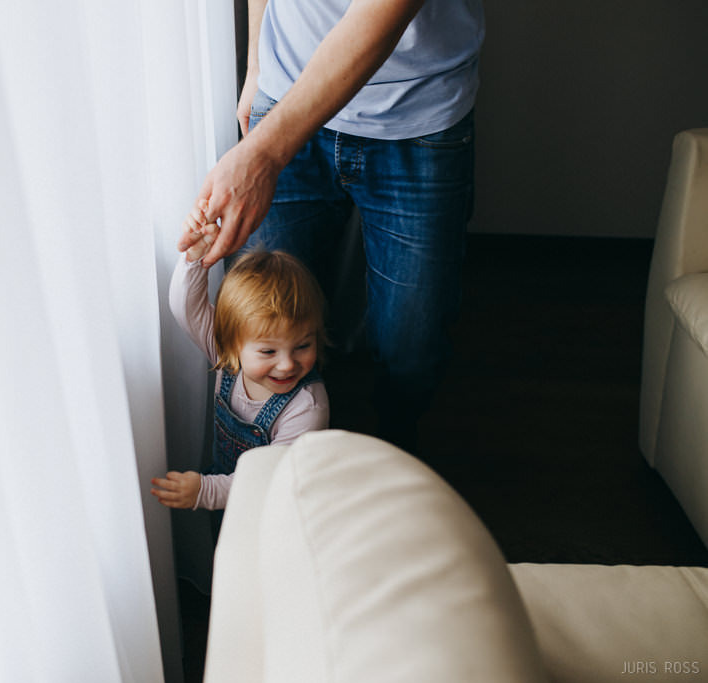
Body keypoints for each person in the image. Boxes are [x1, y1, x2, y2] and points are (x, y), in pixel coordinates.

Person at [178, 0, 484, 451]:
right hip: (283, 95)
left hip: (419, 117)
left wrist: (263, 152)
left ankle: (391, 453)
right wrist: (257, 68)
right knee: (262, 320)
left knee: (411, 349)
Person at [151, 211, 329, 513]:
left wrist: (205, 491)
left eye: (302, 345)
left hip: (276, 506)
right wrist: (196, 258)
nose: (287, 364)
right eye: (268, 352)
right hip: (227, 494)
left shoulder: (307, 407)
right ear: (233, 344)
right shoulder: (227, 355)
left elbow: (271, 479)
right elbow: (185, 308)